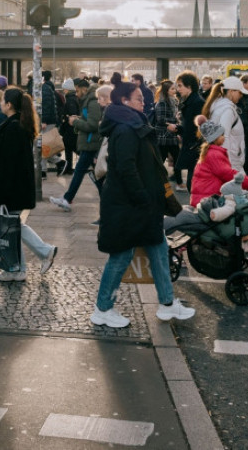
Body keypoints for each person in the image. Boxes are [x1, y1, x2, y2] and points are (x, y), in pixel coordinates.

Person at [91, 80, 195, 328]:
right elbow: (126, 168)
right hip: (129, 204)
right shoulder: (125, 129)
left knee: (158, 246)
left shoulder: (133, 124)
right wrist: (143, 197)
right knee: (121, 255)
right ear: (124, 101)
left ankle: (167, 304)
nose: (144, 101)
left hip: (138, 203)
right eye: (138, 98)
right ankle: (102, 308)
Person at [0, 87, 58, 281]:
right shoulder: (19, 124)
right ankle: (30, 260)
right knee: (14, 224)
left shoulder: (12, 127)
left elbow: (8, 163)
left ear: (9, 105)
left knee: (11, 225)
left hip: (12, 187)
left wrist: (0, 188)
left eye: (2, 100)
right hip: (18, 186)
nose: (0, 103)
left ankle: (18, 268)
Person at [50, 78, 102, 211]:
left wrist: (75, 122)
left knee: (81, 172)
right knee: (96, 175)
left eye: (77, 91)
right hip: (89, 142)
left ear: (84, 89)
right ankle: (68, 198)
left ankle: (67, 199)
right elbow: (90, 120)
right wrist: (79, 119)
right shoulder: (89, 101)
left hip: (91, 142)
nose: (76, 94)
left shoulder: (92, 102)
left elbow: (92, 125)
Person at [189, 116, 248, 208]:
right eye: (221, 135)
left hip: (205, 198)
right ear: (215, 138)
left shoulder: (210, 152)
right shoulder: (214, 154)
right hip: (208, 201)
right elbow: (228, 174)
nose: (224, 137)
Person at [201, 76, 247, 173]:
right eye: (240, 92)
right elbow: (223, 138)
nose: (241, 95)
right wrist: (225, 165)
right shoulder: (228, 110)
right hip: (232, 162)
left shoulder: (218, 105)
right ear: (231, 91)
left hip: (229, 160)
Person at [172, 71, 204, 192]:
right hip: (192, 147)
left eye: (180, 86)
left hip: (194, 147)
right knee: (192, 181)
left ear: (189, 86)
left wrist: (178, 129)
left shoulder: (196, 103)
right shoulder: (192, 101)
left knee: (193, 182)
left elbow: (193, 129)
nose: (178, 89)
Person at [153, 80, 183, 185]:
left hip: (171, 135)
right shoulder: (162, 102)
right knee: (162, 160)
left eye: (175, 88)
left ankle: (179, 182)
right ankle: (156, 181)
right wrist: (174, 121)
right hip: (164, 136)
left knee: (177, 159)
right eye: (172, 89)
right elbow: (160, 119)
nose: (175, 90)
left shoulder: (174, 101)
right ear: (166, 91)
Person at [59, 77, 80, 175]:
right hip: (71, 128)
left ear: (68, 89)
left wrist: (66, 117)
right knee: (69, 147)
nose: (63, 91)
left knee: (70, 146)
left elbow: (72, 115)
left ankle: (69, 167)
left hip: (70, 128)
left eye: (64, 89)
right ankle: (68, 168)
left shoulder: (70, 100)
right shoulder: (72, 98)